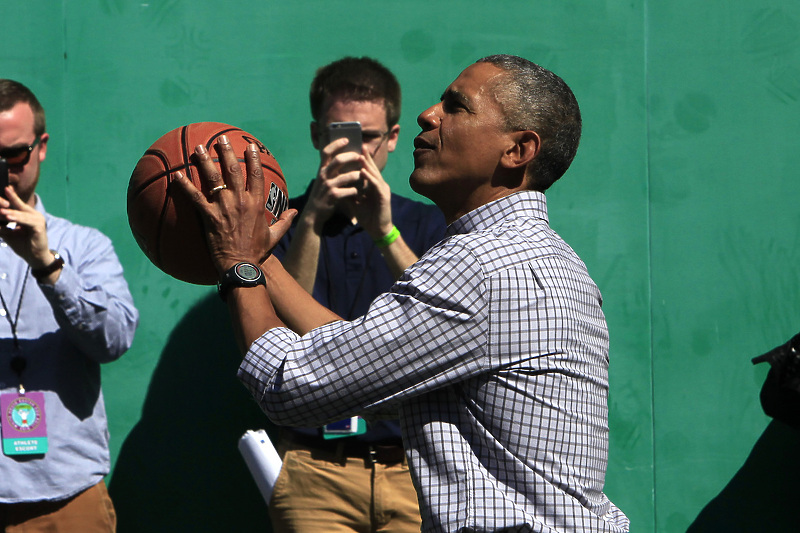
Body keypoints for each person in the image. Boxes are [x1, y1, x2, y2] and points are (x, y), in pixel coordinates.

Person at [176, 54, 629, 532]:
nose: (427, 114)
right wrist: (261, 257)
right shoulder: (552, 260)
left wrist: (238, 266)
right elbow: (359, 355)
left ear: (518, 150)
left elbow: (291, 382)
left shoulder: (479, 265)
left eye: (456, 107)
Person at [269, 57, 446, 531]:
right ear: (316, 136)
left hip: (412, 467)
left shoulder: (427, 223)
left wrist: (384, 232)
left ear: (392, 137)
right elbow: (277, 329)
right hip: (314, 466)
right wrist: (311, 219)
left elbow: (441, 319)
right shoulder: (283, 221)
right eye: (339, 135)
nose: (354, 151)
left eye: (367, 137)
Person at [0, 80, 138, 532]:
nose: (2, 169)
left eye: (14, 154)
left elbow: (114, 339)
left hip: (65, 495)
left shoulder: (83, 245)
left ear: (41, 148)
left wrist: (48, 265)